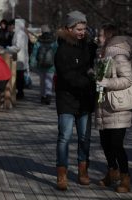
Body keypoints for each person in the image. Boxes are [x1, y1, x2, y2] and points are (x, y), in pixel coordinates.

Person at [54, 10, 96, 190]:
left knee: (84, 138)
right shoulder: (62, 49)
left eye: (84, 28)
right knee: (64, 137)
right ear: (69, 29)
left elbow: (91, 67)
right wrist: (88, 81)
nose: (82, 32)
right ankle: (62, 174)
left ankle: (83, 170)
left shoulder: (88, 46)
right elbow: (67, 75)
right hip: (67, 98)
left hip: (85, 99)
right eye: (78, 28)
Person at [96, 23, 132, 193]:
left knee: (116, 144)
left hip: (118, 107)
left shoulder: (119, 56)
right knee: (105, 143)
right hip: (103, 105)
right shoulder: (102, 55)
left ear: (109, 37)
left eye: (101, 35)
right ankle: (112, 172)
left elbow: (127, 80)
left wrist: (107, 83)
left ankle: (125, 177)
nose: (98, 37)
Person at [30, 24, 57, 105]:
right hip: (51, 65)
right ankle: (48, 95)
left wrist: (32, 63)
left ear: (42, 31)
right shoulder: (53, 40)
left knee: (42, 81)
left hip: (40, 64)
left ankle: (43, 96)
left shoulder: (39, 41)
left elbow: (34, 52)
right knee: (49, 80)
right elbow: (56, 52)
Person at [7, 19, 30, 99]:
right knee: (20, 76)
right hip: (21, 58)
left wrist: (8, 48)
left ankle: (19, 93)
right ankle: (20, 92)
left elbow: (17, 47)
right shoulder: (22, 33)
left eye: (14, 24)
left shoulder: (19, 34)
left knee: (19, 77)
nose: (12, 26)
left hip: (19, 58)